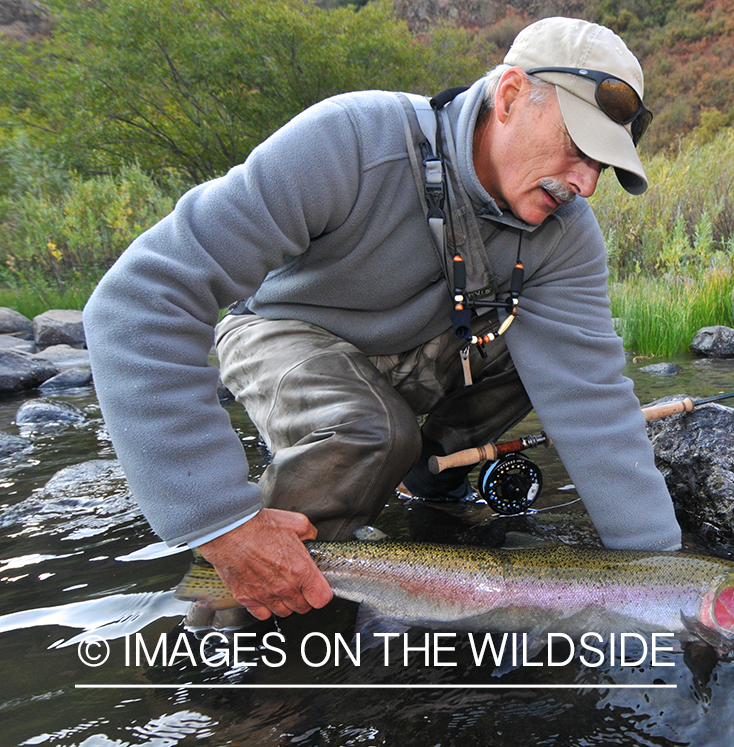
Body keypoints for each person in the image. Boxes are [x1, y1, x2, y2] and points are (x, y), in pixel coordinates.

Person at [84, 16, 682, 625]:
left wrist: (669, 583)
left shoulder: (566, 236)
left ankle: (427, 486)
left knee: (540, 358)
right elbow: (138, 301)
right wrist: (218, 521)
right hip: (281, 330)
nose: (584, 184)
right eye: (578, 150)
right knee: (371, 431)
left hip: (420, 347)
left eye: (602, 166)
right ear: (508, 98)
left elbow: (594, 403)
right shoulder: (352, 142)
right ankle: (234, 642)